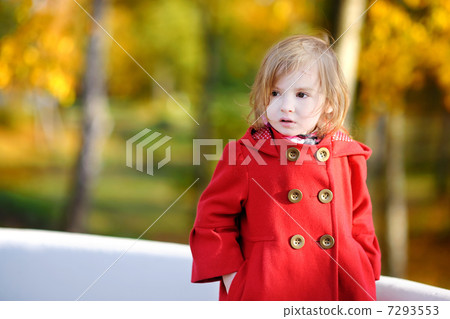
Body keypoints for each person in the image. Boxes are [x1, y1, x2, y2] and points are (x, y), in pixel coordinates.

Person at [189, 34, 381, 301]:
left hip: (342, 288)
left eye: (302, 94)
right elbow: (212, 222)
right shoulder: (245, 155)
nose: (286, 106)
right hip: (268, 291)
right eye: (275, 93)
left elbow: (361, 223)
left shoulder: (347, 155)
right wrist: (235, 280)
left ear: (329, 103)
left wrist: (366, 270)